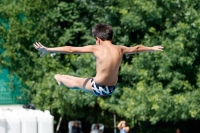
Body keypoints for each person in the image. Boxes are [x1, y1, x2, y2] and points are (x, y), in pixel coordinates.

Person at [33, 24, 163, 96]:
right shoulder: (120, 48)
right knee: (83, 81)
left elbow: (71, 49)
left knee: (78, 83)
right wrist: (152, 48)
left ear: (98, 39)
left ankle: (60, 78)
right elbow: (136, 48)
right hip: (112, 88)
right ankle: (61, 78)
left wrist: (48, 49)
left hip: (98, 87)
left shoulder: (96, 48)